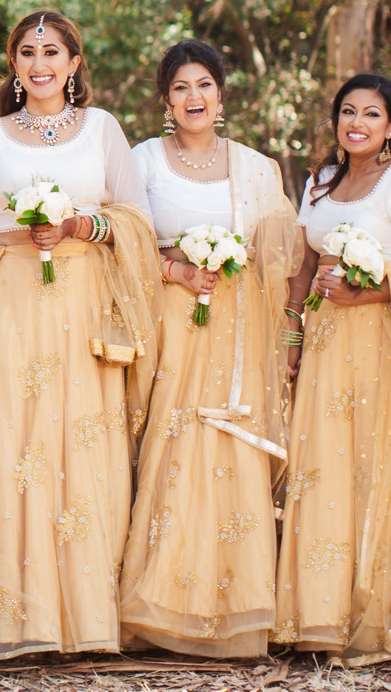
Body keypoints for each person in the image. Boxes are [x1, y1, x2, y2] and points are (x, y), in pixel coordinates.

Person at [0, 10, 161, 661]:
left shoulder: (105, 131)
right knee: (11, 442)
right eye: (28, 51)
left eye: (52, 51)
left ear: (74, 63)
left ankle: (86, 618)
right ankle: (17, 622)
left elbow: (137, 221)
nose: (40, 62)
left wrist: (83, 226)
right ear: (14, 63)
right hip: (9, 298)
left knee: (86, 446)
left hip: (85, 299)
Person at [275, 74, 391, 665]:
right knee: (321, 468)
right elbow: (305, 267)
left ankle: (379, 615)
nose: (356, 123)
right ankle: (319, 619)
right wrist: (291, 338)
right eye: (347, 112)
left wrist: (373, 290)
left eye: (371, 114)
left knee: (371, 466)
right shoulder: (320, 184)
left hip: (380, 341)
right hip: (326, 341)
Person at [120, 40, 301, 658]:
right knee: (174, 440)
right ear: (165, 100)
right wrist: (176, 271)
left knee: (233, 446)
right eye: (180, 88)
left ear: (221, 93)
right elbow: (123, 235)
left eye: (204, 85)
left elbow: (284, 252)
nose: (193, 97)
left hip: (238, 323)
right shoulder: (142, 160)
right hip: (171, 318)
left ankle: (238, 609)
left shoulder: (256, 167)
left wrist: (247, 274)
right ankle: (160, 606)